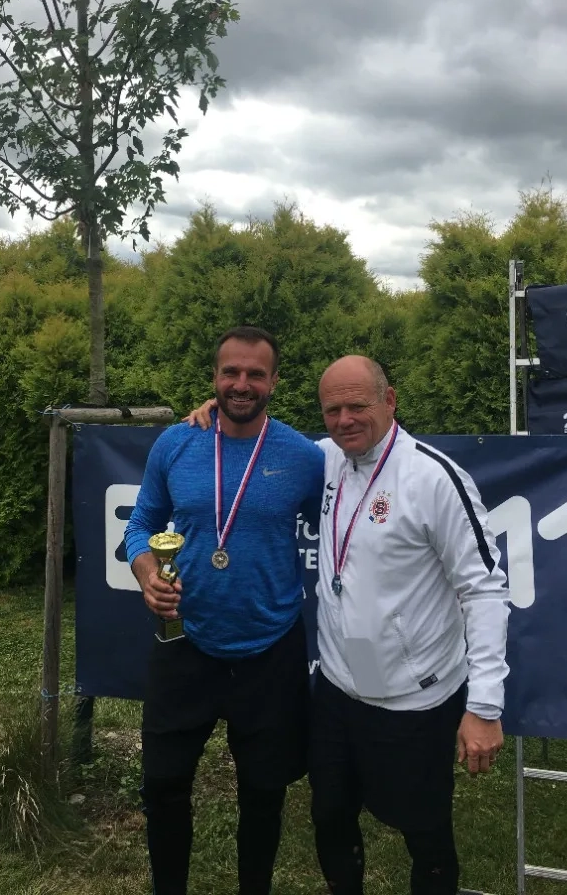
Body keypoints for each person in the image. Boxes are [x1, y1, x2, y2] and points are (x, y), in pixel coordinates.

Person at [186, 354, 510, 895]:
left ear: (390, 400)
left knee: (424, 830)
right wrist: (220, 414)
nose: (344, 421)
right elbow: (257, 448)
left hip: (416, 697)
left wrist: (485, 706)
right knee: (330, 816)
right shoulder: (323, 459)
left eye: (357, 406)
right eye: (331, 410)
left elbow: (484, 589)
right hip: (338, 688)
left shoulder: (433, 478)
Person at [124, 325, 325, 895]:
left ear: (274, 381)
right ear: (214, 377)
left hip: (270, 648)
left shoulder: (304, 457)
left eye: (255, 374)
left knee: (264, 793)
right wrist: (147, 573)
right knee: (163, 785)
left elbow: (344, 515)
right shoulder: (176, 443)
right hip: (185, 642)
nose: (242, 384)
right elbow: (141, 525)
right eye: (230, 372)